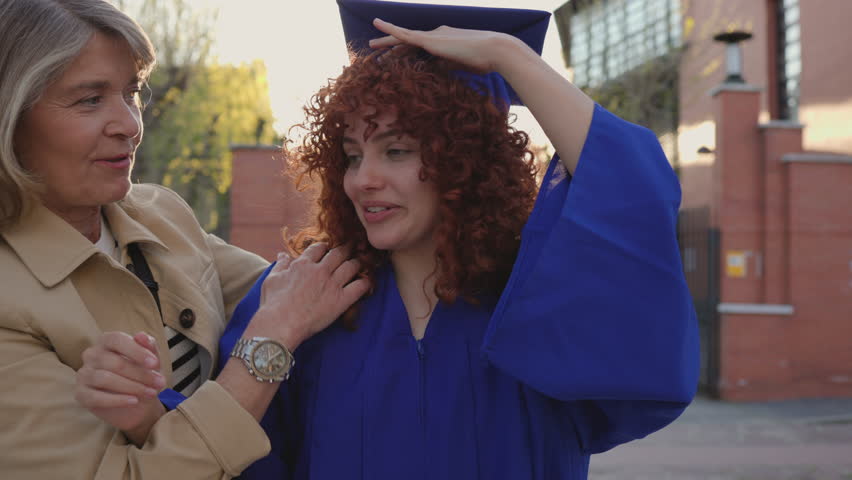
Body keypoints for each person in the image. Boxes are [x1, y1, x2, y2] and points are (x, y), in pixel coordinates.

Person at [84, 1, 699, 479]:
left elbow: (634, 192)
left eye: (397, 151)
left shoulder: (542, 299)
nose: (363, 180)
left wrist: (510, 58)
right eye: (351, 156)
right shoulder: (310, 304)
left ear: (467, 160)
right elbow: (249, 463)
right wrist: (149, 415)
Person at [0, 0, 367, 478]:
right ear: (10, 115)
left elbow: (300, 290)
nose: (130, 126)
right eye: (90, 100)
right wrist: (268, 344)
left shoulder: (162, 214)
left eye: (131, 94)